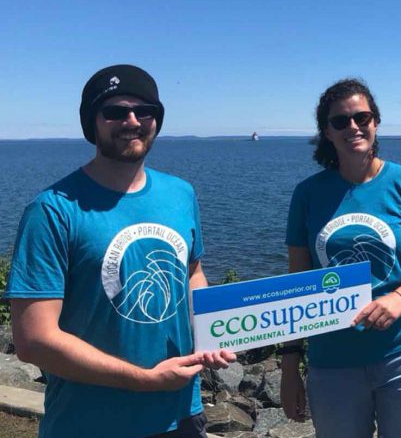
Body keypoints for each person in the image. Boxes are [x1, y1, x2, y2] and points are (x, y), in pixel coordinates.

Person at [5, 64, 235, 438]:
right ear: (91, 124)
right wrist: (144, 379)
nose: (132, 121)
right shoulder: (52, 210)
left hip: (181, 415)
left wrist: (212, 334)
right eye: (114, 112)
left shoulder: (181, 193)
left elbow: (192, 272)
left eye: (144, 111)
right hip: (89, 424)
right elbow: (34, 340)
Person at [281, 78, 401, 438]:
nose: (353, 127)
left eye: (362, 117)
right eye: (340, 121)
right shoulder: (308, 194)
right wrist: (290, 364)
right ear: (326, 132)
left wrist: (400, 297)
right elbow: (296, 285)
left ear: (376, 122)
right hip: (332, 360)